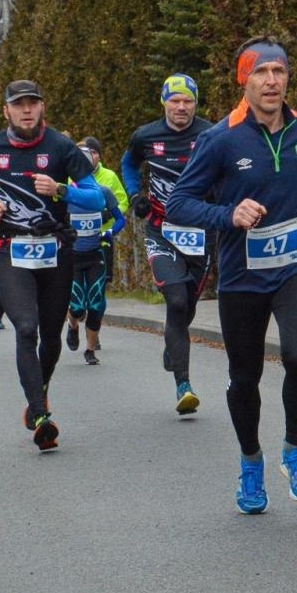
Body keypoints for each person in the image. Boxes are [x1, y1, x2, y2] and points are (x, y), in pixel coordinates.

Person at [168, 37, 297, 515]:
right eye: (261, 73)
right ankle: (251, 462)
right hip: (242, 277)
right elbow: (179, 204)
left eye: (279, 71)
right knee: (243, 378)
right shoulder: (220, 139)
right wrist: (228, 215)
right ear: (243, 81)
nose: (271, 81)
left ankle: (295, 452)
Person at [0, 79, 99, 451]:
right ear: (6, 110)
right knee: (26, 327)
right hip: (11, 248)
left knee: (52, 335)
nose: (26, 109)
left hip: (55, 249)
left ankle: (38, 392)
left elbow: (96, 199)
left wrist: (60, 190)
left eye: (33, 103)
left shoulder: (60, 146)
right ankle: (41, 416)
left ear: (42, 107)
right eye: (19, 104)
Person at [122, 73, 217, 413]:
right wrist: (135, 195)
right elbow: (129, 163)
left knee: (187, 306)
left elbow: (228, 170)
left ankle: (172, 340)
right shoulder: (146, 136)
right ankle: (184, 385)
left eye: (187, 101)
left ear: (195, 103)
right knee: (176, 301)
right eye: (174, 101)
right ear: (164, 102)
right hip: (161, 229)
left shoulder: (211, 133)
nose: (181, 107)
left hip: (202, 232)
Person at [66, 136, 130, 363]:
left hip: (96, 252)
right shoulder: (64, 191)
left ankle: (90, 349)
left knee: (95, 302)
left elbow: (120, 219)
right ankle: (72, 325)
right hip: (72, 255)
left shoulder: (104, 189)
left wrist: (110, 231)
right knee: (76, 304)